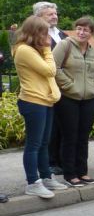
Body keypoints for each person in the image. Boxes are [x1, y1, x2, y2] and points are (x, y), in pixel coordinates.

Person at [12, 15, 66, 198]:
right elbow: (50, 70)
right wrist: (47, 50)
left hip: (45, 100)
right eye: (44, 32)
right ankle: (32, 182)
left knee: (44, 143)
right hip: (33, 101)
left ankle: (46, 177)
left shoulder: (36, 50)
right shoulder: (24, 50)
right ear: (35, 33)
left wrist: (44, 50)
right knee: (34, 144)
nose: (48, 36)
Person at [52, 16, 94, 186]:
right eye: (79, 28)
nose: (81, 32)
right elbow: (54, 68)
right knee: (70, 136)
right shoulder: (65, 45)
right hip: (68, 98)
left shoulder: (93, 50)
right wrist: (70, 86)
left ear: (91, 33)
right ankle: (70, 173)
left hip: (88, 98)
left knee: (83, 136)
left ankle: (82, 171)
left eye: (85, 30)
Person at [34, 1, 66, 175]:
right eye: (50, 14)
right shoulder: (36, 36)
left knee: (62, 124)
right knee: (51, 127)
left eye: (55, 13)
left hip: (65, 86)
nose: (55, 16)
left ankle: (62, 159)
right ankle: (51, 161)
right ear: (39, 17)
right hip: (47, 86)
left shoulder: (61, 34)